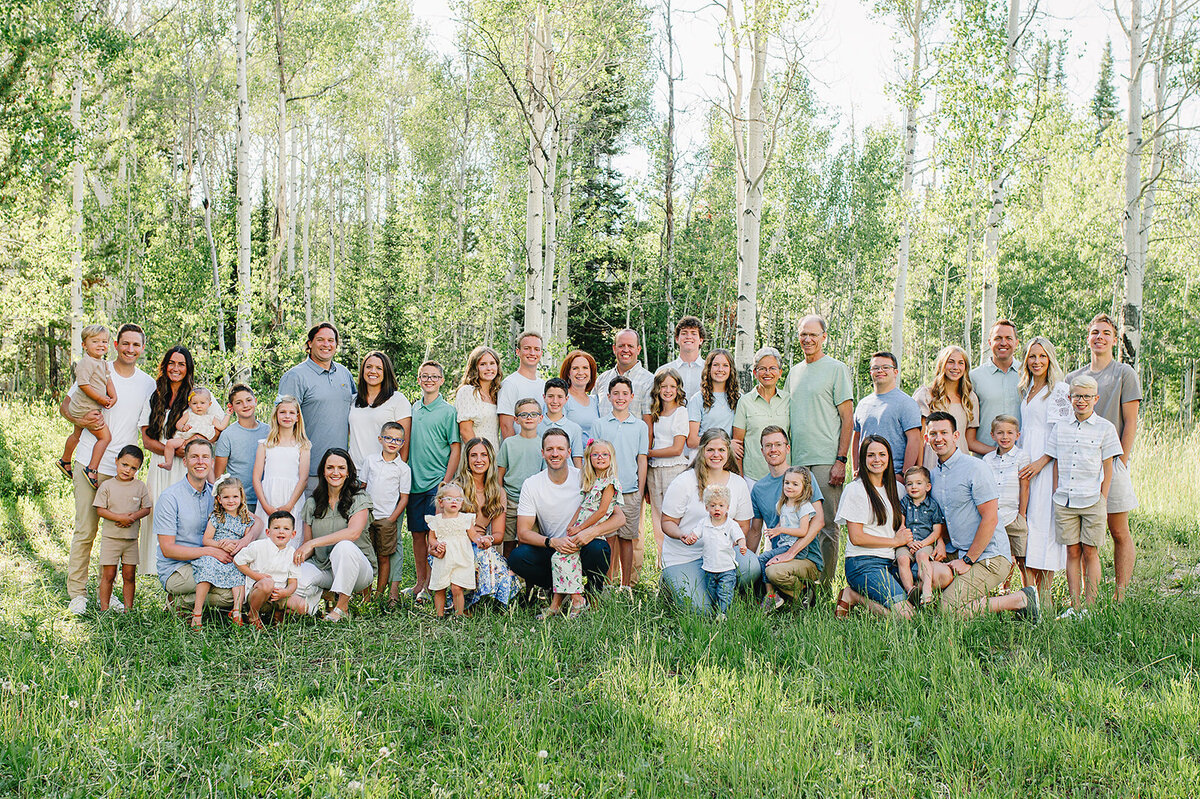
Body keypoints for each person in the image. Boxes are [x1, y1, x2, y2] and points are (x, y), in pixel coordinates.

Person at [62, 322, 155, 615]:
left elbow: (149, 426)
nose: (130, 349)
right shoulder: (96, 367)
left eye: (136, 344)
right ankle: (77, 593)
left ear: (142, 348)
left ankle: (108, 593)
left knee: (116, 536)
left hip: (122, 471)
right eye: (125, 343)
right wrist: (81, 420)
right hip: (89, 461)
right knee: (85, 530)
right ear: (115, 345)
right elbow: (65, 407)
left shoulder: (147, 384)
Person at [922, 412, 1039, 621]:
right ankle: (973, 597)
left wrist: (968, 560)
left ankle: (1021, 599)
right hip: (956, 551)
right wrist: (939, 542)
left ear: (956, 436)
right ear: (926, 438)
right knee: (921, 575)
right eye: (933, 434)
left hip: (990, 556)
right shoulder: (933, 476)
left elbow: (991, 518)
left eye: (944, 433)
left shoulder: (975, 468)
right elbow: (939, 519)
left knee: (947, 610)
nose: (938, 438)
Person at [1066, 312, 1141, 602]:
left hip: (1112, 463)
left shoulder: (1124, 374)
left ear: (1114, 340)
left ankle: (1120, 596)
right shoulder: (1074, 379)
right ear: (1088, 338)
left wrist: (1121, 460)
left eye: (1106, 333)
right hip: (1081, 469)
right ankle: (1088, 598)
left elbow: (1130, 421)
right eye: (1095, 332)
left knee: (1118, 531)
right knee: (1086, 538)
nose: (1100, 337)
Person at [509, 429, 623, 601]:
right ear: (543, 453)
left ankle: (592, 594)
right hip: (553, 548)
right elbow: (523, 533)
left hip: (582, 546)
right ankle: (560, 590)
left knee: (599, 549)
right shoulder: (531, 484)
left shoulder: (585, 478)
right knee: (518, 557)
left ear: (569, 452)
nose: (555, 454)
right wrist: (552, 542)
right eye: (550, 449)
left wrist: (590, 532)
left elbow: (620, 518)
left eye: (560, 449)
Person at [783, 315, 853, 594]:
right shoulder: (794, 373)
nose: (808, 339)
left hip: (826, 460)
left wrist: (841, 460)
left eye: (813, 334)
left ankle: (824, 589)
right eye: (803, 334)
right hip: (798, 462)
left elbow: (847, 419)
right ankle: (801, 585)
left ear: (824, 337)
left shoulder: (836, 369)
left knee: (826, 526)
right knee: (798, 523)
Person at [1047, 375, 1124, 618]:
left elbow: (1108, 467)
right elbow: (1055, 463)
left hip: (1092, 499)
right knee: (1072, 551)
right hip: (1065, 500)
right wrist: (1056, 491)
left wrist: (1103, 497)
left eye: (1087, 397)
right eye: (1077, 396)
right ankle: (1075, 605)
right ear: (1070, 398)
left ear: (1096, 399)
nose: (1082, 401)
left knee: (1090, 551)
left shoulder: (1105, 428)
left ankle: (1090, 606)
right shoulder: (1061, 427)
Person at [660, 429, 759, 615]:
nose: (716, 455)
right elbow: (667, 521)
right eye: (710, 450)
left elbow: (743, 525)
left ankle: (723, 591)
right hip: (685, 556)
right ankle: (672, 583)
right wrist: (682, 534)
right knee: (701, 612)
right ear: (701, 451)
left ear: (728, 452)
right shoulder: (684, 481)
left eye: (721, 450)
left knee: (751, 566)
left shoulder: (738, 483)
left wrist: (726, 543)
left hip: (721, 554)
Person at [833, 436, 916, 619]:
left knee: (920, 605)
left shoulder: (898, 489)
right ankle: (852, 595)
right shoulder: (856, 490)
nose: (877, 459)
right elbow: (857, 537)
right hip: (863, 563)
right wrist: (895, 541)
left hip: (893, 562)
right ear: (863, 459)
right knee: (906, 616)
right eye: (871, 455)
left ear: (889, 457)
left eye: (882, 454)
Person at [1017, 336, 1071, 611]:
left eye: (1042, 356)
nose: (1036, 361)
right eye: (1032, 356)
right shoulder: (1026, 388)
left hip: (1046, 465)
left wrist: (1042, 461)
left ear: (1050, 359)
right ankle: (1030, 595)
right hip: (1025, 462)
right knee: (1026, 526)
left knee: (1043, 525)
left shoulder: (1059, 390)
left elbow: (1062, 431)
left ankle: (1046, 597)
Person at [156, 439, 238, 611]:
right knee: (232, 587)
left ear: (212, 462)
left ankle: (182, 601)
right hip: (177, 568)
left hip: (209, 562)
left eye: (205, 457)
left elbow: (256, 521)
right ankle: (178, 601)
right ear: (185, 461)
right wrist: (210, 551)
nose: (200, 462)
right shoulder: (170, 498)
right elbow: (167, 549)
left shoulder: (217, 495)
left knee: (233, 594)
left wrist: (244, 541)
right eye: (194, 457)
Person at [294, 448, 375, 622]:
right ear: (323, 472)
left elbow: (353, 533)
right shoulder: (312, 503)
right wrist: (293, 559)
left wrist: (313, 543)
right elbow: (308, 545)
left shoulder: (359, 498)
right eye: (330, 467)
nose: (335, 472)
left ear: (348, 472)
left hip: (358, 571)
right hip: (324, 567)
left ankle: (342, 607)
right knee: (295, 580)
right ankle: (323, 597)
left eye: (341, 468)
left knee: (344, 546)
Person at [404, 361, 461, 600]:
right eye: (425, 376)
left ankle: (434, 585)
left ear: (441, 381)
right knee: (417, 534)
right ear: (419, 380)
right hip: (414, 482)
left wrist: (445, 482)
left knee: (434, 534)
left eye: (434, 376)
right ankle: (420, 583)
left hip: (436, 483)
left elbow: (455, 447)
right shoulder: (413, 409)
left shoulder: (448, 411)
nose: (429, 380)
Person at [546, 439, 622, 619]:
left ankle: (574, 600)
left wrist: (581, 528)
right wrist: (571, 526)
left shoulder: (609, 483)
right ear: (589, 458)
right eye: (595, 454)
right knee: (560, 558)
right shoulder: (591, 480)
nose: (600, 458)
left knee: (560, 557)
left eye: (605, 454)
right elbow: (582, 507)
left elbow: (602, 511)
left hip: (591, 531)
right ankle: (570, 600)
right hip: (580, 528)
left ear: (611, 458)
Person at [747, 426, 825, 599]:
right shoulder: (759, 489)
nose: (773, 449)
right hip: (777, 554)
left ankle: (806, 593)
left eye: (778, 444)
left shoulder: (803, 477)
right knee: (755, 571)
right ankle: (784, 597)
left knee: (773, 572)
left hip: (805, 557)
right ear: (762, 451)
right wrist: (748, 563)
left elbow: (819, 521)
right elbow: (755, 531)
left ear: (787, 448)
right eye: (768, 446)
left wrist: (791, 553)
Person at [277, 322, 356, 490]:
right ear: (310, 344)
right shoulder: (295, 376)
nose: (326, 344)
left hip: (340, 470)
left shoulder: (344, 374)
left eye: (331, 340)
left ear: (336, 344)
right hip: (307, 471)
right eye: (320, 340)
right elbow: (282, 422)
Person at [141, 345, 196, 575]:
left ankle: (184, 573)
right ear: (165, 366)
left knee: (186, 517)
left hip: (187, 468)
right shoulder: (154, 396)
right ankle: (157, 570)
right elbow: (146, 439)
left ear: (188, 368)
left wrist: (189, 450)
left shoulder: (198, 396)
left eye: (181, 364)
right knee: (158, 513)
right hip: (161, 466)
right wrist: (171, 451)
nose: (176, 368)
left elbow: (215, 431)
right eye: (172, 363)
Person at [593, 376, 649, 590]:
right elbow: (594, 457)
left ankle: (626, 586)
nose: (620, 397)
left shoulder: (640, 426)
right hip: (605, 491)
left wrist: (640, 489)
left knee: (627, 538)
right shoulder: (599, 424)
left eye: (625, 393)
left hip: (630, 490)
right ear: (608, 396)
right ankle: (608, 583)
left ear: (632, 397)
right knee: (609, 538)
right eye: (616, 393)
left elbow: (641, 459)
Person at [451, 437, 519, 609]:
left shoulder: (498, 492)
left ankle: (493, 605)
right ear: (467, 459)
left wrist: (488, 539)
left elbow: (499, 535)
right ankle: (462, 602)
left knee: (508, 575)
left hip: (481, 545)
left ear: (490, 459)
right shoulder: (455, 488)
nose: (479, 460)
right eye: (473, 455)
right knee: (477, 559)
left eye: (484, 455)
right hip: (456, 544)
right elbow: (441, 524)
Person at [190, 477, 262, 629]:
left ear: (241, 497)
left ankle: (236, 612)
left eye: (235, 496)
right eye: (226, 497)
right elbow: (206, 540)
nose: (231, 501)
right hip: (216, 554)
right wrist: (220, 545)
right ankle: (197, 612)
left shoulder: (246, 519)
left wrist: (235, 545)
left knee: (240, 573)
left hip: (235, 556)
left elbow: (246, 544)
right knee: (207, 568)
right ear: (219, 499)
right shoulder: (217, 517)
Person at [92, 444, 152, 612]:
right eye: (125, 464)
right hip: (111, 538)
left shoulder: (140, 486)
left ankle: (128, 610)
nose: (127, 470)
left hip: (131, 540)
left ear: (138, 469)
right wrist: (119, 518)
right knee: (109, 574)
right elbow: (100, 509)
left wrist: (132, 517)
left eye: (133, 468)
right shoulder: (107, 486)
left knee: (129, 575)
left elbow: (146, 508)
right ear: (116, 461)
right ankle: (104, 608)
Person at [60, 324, 116, 488]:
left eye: (104, 341)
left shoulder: (102, 363)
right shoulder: (86, 363)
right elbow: (83, 384)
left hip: (84, 406)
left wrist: (113, 397)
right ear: (84, 345)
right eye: (95, 341)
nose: (101, 345)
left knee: (76, 434)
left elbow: (108, 380)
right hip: (85, 407)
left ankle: (65, 460)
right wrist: (100, 399)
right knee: (105, 437)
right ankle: (91, 469)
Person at [360, 421, 411, 600]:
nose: (392, 442)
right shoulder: (370, 461)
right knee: (366, 555)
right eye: (388, 438)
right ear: (380, 439)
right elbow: (362, 486)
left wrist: (391, 519)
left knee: (384, 557)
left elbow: (404, 498)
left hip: (386, 519)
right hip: (367, 517)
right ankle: (366, 594)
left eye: (397, 440)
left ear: (402, 444)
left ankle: (379, 594)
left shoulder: (403, 469)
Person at [759, 466, 820, 613]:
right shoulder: (783, 504)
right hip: (784, 546)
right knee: (766, 561)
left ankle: (771, 595)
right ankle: (796, 593)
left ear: (804, 487)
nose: (789, 487)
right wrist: (775, 530)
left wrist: (780, 530)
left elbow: (803, 531)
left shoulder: (804, 506)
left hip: (796, 548)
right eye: (787, 483)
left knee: (763, 559)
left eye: (795, 484)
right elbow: (784, 522)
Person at [851, 351, 922, 478]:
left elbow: (914, 440)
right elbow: (857, 437)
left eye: (885, 367)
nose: (880, 371)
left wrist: (904, 474)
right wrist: (856, 469)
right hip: (865, 476)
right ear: (871, 372)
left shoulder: (906, 403)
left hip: (893, 476)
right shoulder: (863, 404)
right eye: (876, 368)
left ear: (895, 372)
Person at [645, 368, 690, 562]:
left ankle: (678, 559)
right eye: (664, 386)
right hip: (654, 470)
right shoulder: (655, 413)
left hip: (674, 469)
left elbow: (677, 449)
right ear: (658, 388)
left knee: (674, 516)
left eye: (672, 386)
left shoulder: (681, 412)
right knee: (657, 517)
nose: (668, 390)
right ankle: (661, 560)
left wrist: (647, 453)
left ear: (678, 389)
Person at [234, 510, 306, 629]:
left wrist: (285, 592)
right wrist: (257, 576)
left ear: (293, 534)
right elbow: (238, 560)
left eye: (286, 529)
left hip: (278, 595)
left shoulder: (292, 553)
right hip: (258, 594)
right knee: (267, 583)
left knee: (303, 606)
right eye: (276, 528)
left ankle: (276, 613)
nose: (281, 531)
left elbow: (293, 582)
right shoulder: (258, 546)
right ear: (268, 532)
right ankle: (253, 615)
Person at [251, 396, 311, 537]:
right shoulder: (265, 444)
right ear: (276, 415)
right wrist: (266, 506)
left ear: (297, 417)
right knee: (266, 537)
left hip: (292, 498)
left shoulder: (303, 446)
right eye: (282, 412)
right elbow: (256, 478)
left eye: (291, 413)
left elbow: (303, 479)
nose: (287, 416)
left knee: (290, 537)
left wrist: (289, 505)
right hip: (269, 497)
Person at [983, 415, 1031, 588]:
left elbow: (1024, 487)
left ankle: (1028, 592)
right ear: (992, 435)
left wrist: (1022, 514)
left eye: (1010, 433)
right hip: (994, 517)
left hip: (1014, 515)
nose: (1005, 437)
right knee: (1000, 556)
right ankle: (1005, 589)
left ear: (1017, 435)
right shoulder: (987, 459)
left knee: (1022, 558)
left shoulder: (1021, 456)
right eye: (1000, 432)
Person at [913, 345, 980, 467]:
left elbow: (970, 441)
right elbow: (920, 438)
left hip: (961, 463)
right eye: (951, 362)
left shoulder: (970, 398)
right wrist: (919, 468)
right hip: (932, 462)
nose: (955, 367)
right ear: (942, 364)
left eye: (961, 363)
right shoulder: (926, 395)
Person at [733, 347, 790, 488]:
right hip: (753, 477)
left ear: (780, 372)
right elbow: (738, 444)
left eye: (772, 368)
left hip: (785, 476)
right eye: (762, 369)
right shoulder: (745, 402)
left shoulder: (789, 400)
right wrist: (740, 479)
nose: (767, 373)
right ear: (755, 373)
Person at [497, 398, 547, 554]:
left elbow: (545, 476)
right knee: (509, 545)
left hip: (533, 502)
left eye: (533, 414)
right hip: (511, 500)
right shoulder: (509, 443)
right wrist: (501, 495)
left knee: (529, 545)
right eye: (524, 414)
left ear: (540, 418)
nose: (529, 417)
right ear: (516, 419)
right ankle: (507, 570)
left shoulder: (544, 444)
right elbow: (500, 473)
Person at [348, 351, 411, 468]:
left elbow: (405, 442)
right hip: (354, 470)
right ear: (362, 371)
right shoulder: (353, 400)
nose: (373, 371)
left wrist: (395, 470)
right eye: (368, 367)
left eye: (379, 368)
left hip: (384, 471)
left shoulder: (398, 399)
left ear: (386, 372)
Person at [214, 384, 269, 513]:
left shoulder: (269, 431)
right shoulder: (228, 435)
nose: (245, 405)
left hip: (266, 498)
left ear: (255, 401)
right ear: (231, 407)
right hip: (239, 502)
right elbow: (219, 475)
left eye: (248, 400)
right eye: (239, 403)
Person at [693, 484, 747, 617]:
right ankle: (715, 611)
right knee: (711, 592)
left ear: (727, 507)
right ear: (706, 507)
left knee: (725, 592)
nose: (717, 508)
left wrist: (742, 545)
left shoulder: (731, 524)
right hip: (709, 567)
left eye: (721, 505)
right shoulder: (704, 523)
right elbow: (696, 533)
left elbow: (740, 537)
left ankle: (723, 614)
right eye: (713, 505)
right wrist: (691, 537)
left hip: (727, 568)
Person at [969, 319, 1022, 455]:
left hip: (1021, 460)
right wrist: (997, 454)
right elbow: (968, 433)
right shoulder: (974, 377)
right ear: (989, 342)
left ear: (1016, 342)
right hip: (984, 459)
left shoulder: (1027, 375)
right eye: (998, 338)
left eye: (1008, 338)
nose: (1003, 343)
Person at [426, 483, 478, 618]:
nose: (454, 502)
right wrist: (437, 544)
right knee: (440, 588)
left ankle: (459, 615)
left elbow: (474, 535)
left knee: (457, 587)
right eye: (449, 499)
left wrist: (481, 540)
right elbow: (431, 538)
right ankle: (439, 615)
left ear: (462, 503)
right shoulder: (436, 520)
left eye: (458, 499)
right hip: (443, 559)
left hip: (462, 558)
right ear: (441, 502)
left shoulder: (465, 519)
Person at [899, 466, 946, 606]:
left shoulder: (933, 506)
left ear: (928, 487)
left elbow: (937, 532)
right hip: (906, 542)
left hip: (925, 543)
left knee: (922, 556)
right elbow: (901, 526)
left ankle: (926, 589)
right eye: (909, 484)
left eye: (919, 483)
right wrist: (909, 543)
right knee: (902, 559)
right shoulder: (904, 502)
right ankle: (910, 591)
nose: (914, 487)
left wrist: (922, 544)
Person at [166, 387, 228, 476]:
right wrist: (183, 427)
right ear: (189, 404)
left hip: (201, 444)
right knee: (170, 443)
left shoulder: (211, 418)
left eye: (202, 403)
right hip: (185, 439)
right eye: (194, 403)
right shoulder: (189, 414)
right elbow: (178, 424)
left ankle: (212, 481)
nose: (198, 406)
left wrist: (228, 414)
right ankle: (168, 463)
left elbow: (221, 427)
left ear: (209, 404)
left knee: (206, 462)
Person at [593, 329, 654, 418]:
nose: (626, 350)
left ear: (638, 349)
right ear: (614, 349)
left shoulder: (649, 381)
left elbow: (649, 423)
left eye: (630, 346)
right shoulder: (602, 379)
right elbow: (592, 415)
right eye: (621, 346)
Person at [688, 349, 741, 451]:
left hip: (729, 456)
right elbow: (692, 441)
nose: (720, 369)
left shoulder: (739, 399)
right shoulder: (698, 399)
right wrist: (727, 444)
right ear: (709, 368)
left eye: (725, 365)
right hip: (704, 455)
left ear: (731, 369)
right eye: (716, 365)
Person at [497, 331, 546, 439]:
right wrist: (516, 449)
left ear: (541, 353)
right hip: (517, 448)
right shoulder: (510, 384)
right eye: (527, 348)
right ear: (518, 352)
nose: (532, 353)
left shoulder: (544, 385)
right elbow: (506, 426)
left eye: (536, 349)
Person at [455, 345, 503, 447]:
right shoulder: (468, 391)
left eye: (492, 363)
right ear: (474, 368)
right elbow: (465, 431)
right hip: (476, 453)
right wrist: (480, 454)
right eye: (483, 364)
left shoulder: (496, 394)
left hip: (494, 451)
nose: (489, 368)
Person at [538, 378, 585, 466]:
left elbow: (577, 461)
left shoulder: (575, 428)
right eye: (550, 396)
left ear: (566, 399)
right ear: (544, 397)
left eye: (560, 397)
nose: (555, 401)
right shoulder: (536, 426)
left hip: (567, 474)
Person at [659, 316, 706, 400]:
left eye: (693, 333)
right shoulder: (662, 371)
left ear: (701, 340)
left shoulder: (710, 370)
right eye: (684, 333)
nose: (689, 337)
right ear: (677, 339)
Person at [559, 350, 603, 438]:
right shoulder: (562, 399)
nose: (581, 372)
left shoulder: (595, 400)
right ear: (568, 373)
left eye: (585, 368)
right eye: (575, 368)